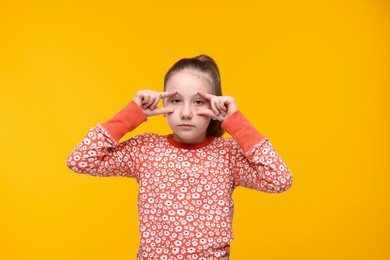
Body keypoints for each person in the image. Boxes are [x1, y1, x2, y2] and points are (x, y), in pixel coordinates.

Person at [67, 54, 292, 260]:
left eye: (198, 102)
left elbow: (279, 179)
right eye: (176, 100)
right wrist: (131, 114)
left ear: (215, 105)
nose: (186, 113)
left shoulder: (227, 155)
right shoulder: (146, 150)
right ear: (163, 103)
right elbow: (80, 159)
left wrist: (236, 121)